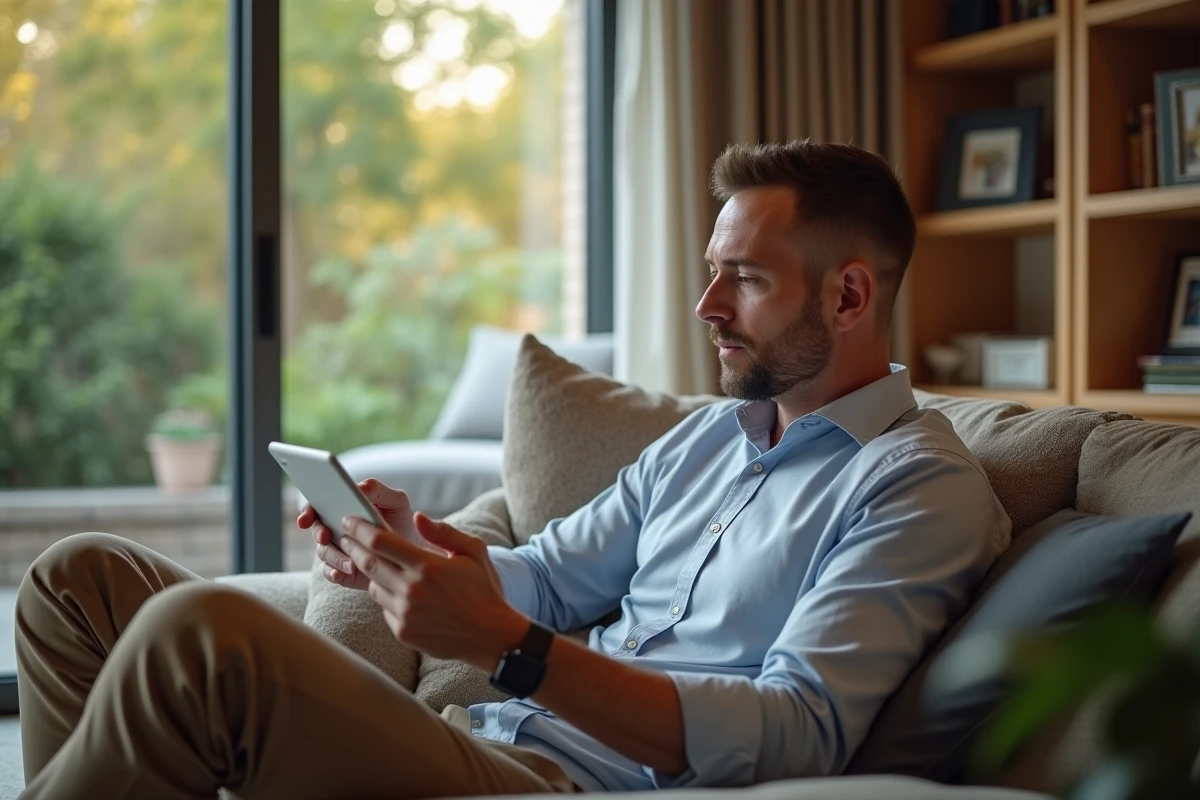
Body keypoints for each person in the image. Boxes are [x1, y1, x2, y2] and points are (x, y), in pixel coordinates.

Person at [15, 140, 1011, 799]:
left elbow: (799, 729)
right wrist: (413, 545)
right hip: (478, 733)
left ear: (847, 296)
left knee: (206, 634)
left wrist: (516, 648)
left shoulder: (914, 485)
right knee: (79, 578)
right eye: (713, 268)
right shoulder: (712, 436)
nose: (707, 304)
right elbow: (546, 573)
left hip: (565, 785)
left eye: (744, 278)